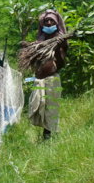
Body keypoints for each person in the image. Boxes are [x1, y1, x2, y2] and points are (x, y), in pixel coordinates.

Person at [28, 9, 67, 139]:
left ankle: (48, 134)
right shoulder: (40, 40)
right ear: (42, 24)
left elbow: (61, 63)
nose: (49, 23)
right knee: (39, 105)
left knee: (51, 107)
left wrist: (58, 47)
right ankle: (46, 132)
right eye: (46, 21)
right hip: (39, 79)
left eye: (51, 21)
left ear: (56, 23)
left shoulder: (60, 40)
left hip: (51, 79)